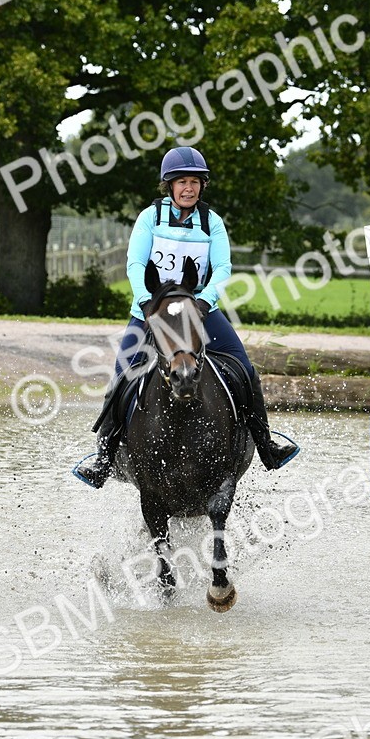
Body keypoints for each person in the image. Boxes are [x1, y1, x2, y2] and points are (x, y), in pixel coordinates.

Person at [73, 146, 299, 488]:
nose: (188, 188)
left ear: (202, 186)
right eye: (182, 182)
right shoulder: (150, 217)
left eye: (194, 182)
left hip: (199, 312)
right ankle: (104, 457)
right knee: (121, 377)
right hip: (150, 313)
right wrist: (147, 302)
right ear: (170, 186)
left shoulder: (212, 222)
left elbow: (223, 267)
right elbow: (135, 263)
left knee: (245, 370)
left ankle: (265, 444)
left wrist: (206, 302)